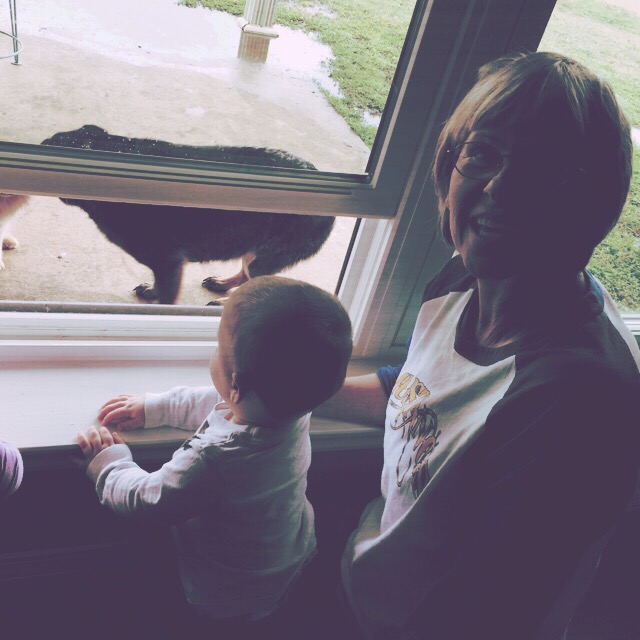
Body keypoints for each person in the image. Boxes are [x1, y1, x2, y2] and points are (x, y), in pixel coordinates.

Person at [318, 51, 640, 639]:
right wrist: (290, 387)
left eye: (544, 169)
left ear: (592, 203)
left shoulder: (579, 399)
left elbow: (489, 611)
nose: (501, 187)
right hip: (365, 594)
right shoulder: (466, 277)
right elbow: (424, 393)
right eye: (483, 153)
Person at [76, 275, 352, 624]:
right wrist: (156, 408)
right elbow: (226, 401)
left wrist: (109, 465)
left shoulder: (217, 458)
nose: (214, 350)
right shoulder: (293, 410)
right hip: (285, 556)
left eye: (218, 347)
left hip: (227, 590)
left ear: (235, 384)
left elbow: (148, 501)